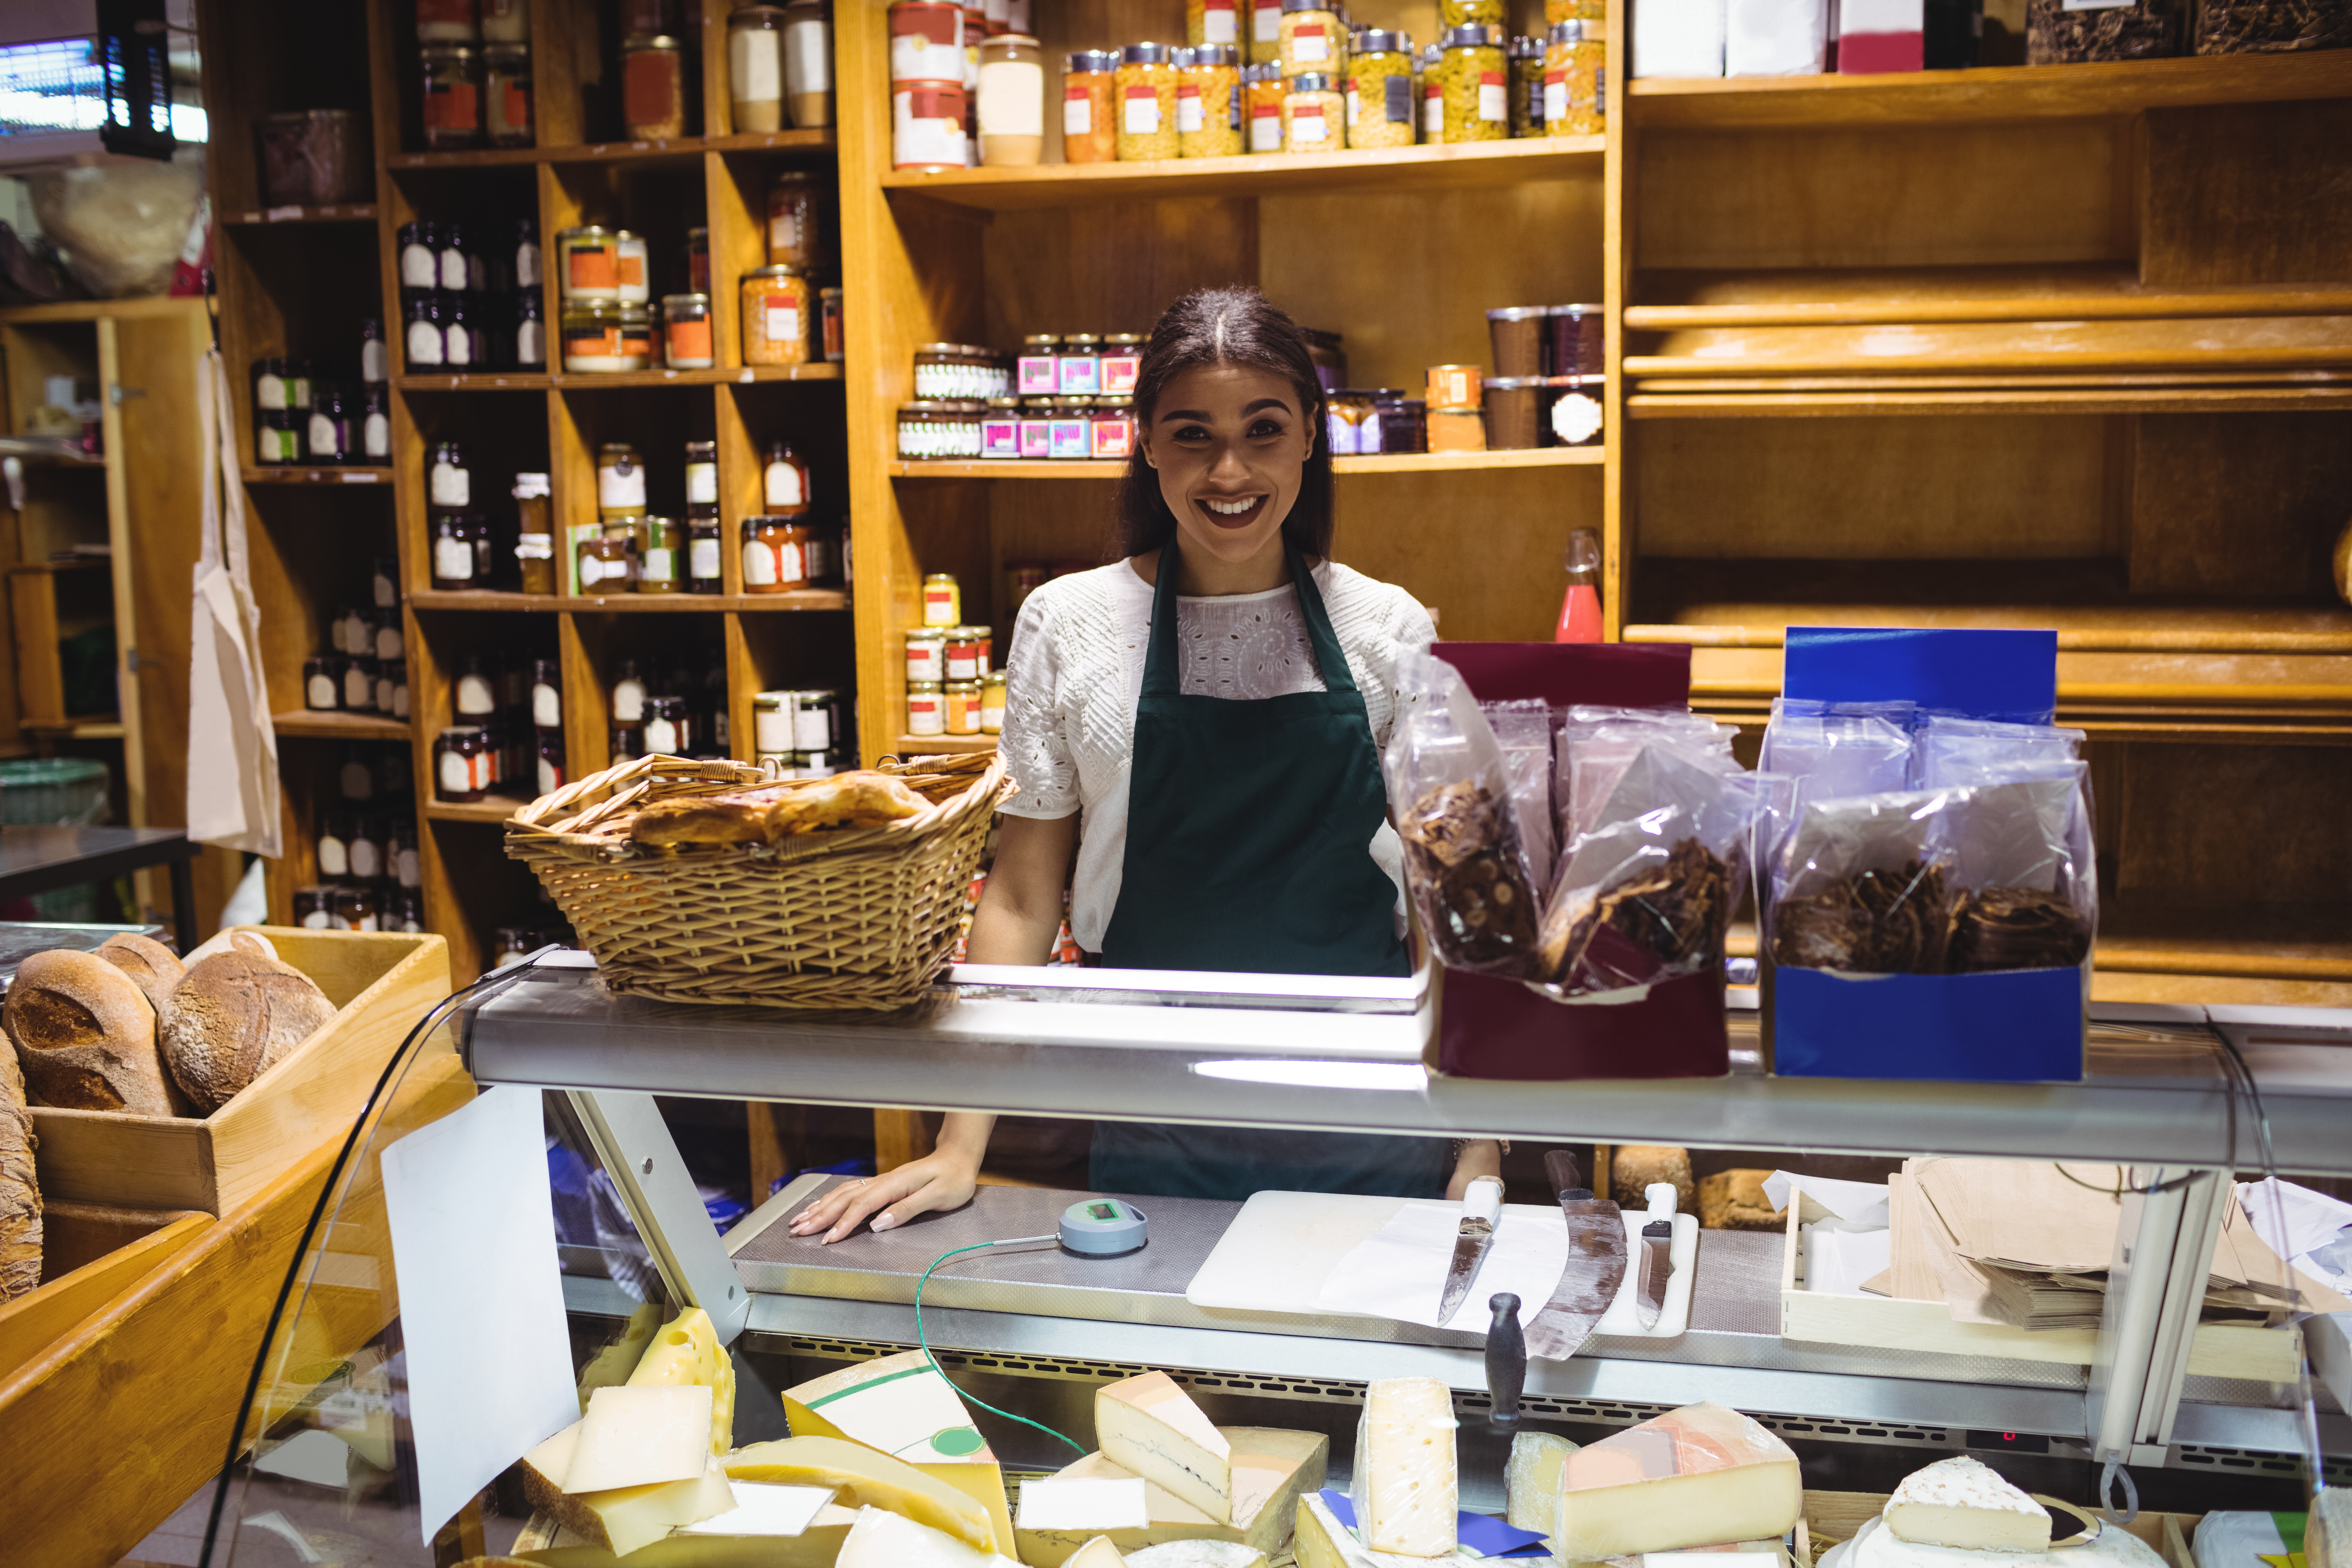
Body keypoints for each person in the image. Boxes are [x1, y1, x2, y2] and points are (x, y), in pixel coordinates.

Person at [792, 287, 1500, 1244]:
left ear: (1310, 438)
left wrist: (1479, 1146)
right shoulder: (1069, 623)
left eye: (1263, 429)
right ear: (1144, 442)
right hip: (1155, 1104)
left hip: (1365, 1105)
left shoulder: (1387, 629)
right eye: (1192, 434)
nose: (1230, 469)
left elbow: (1439, 900)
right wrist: (959, 1144)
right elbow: (1021, 897)